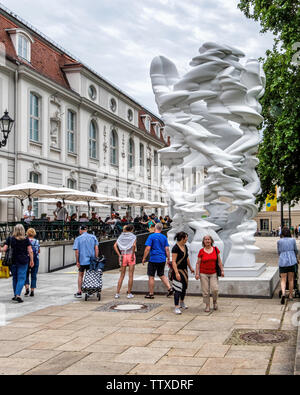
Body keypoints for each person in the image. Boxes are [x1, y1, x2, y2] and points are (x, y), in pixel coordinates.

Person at [0, 224, 34, 303]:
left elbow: (4, 249)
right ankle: (18, 295)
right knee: (21, 278)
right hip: (23, 260)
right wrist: (32, 260)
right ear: (23, 230)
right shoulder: (26, 239)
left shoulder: (10, 239)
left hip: (12, 261)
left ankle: (15, 294)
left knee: (15, 277)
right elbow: (30, 251)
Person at [142, 223, 173, 299]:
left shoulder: (151, 236)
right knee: (161, 274)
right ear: (161, 229)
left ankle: (151, 294)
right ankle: (169, 288)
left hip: (153, 259)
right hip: (162, 259)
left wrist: (144, 258)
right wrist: (168, 258)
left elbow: (148, 248)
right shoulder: (164, 237)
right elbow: (167, 249)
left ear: (155, 228)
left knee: (151, 276)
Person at [195, 235, 224, 312]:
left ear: (211, 241)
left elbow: (219, 261)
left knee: (215, 289)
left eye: (208, 239)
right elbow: (198, 263)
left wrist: (222, 270)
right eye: (205, 239)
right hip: (203, 273)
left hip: (213, 273)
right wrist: (197, 273)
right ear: (203, 241)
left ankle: (215, 302)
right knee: (205, 291)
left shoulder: (215, 249)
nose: (207, 241)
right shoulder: (201, 251)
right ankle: (207, 305)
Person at [171, 232, 195, 314]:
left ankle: (182, 302)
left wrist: (190, 267)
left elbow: (186, 258)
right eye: (186, 238)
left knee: (184, 287)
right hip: (178, 270)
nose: (187, 239)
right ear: (182, 238)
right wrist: (176, 273)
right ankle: (176, 306)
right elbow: (173, 261)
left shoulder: (185, 246)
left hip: (184, 270)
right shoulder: (175, 248)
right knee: (178, 288)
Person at [73, 225, 99, 298]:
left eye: (79, 230)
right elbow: (96, 249)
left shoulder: (78, 239)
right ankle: (89, 291)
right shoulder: (93, 237)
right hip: (91, 260)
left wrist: (77, 261)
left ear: (81, 230)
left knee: (81, 275)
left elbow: (77, 251)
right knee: (90, 275)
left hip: (82, 260)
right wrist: (96, 258)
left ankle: (79, 291)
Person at [113, 224, 137, 299]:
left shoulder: (121, 236)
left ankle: (117, 293)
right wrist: (133, 255)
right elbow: (133, 246)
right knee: (130, 275)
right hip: (130, 255)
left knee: (122, 275)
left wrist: (119, 254)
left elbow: (114, 245)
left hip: (123, 255)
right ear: (132, 229)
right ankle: (129, 293)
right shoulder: (133, 236)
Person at [277, 226, 299, 304]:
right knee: (291, 279)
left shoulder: (279, 241)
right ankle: (290, 295)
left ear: (282, 233)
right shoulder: (293, 240)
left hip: (283, 262)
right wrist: (296, 257)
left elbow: (279, 252)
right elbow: (296, 250)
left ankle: (283, 294)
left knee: (283, 279)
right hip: (291, 261)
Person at [24, 228, 40, 297]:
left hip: (26, 259)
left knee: (25, 273)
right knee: (34, 275)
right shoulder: (36, 241)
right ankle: (32, 290)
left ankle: (27, 288)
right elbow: (38, 251)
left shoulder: (25, 241)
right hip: (35, 259)